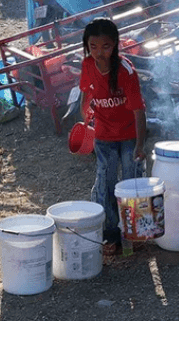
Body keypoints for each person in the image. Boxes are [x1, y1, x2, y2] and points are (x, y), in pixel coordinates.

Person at [78, 17, 147, 254]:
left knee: (131, 182)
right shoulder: (87, 65)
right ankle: (110, 234)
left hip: (129, 135)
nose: (99, 52)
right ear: (87, 46)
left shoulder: (127, 71)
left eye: (105, 47)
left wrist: (140, 144)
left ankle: (135, 231)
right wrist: (85, 114)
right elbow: (86, 92)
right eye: (93, 46)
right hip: (104, 135)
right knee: (105, 181)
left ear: (115, 45)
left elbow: (139, 110)